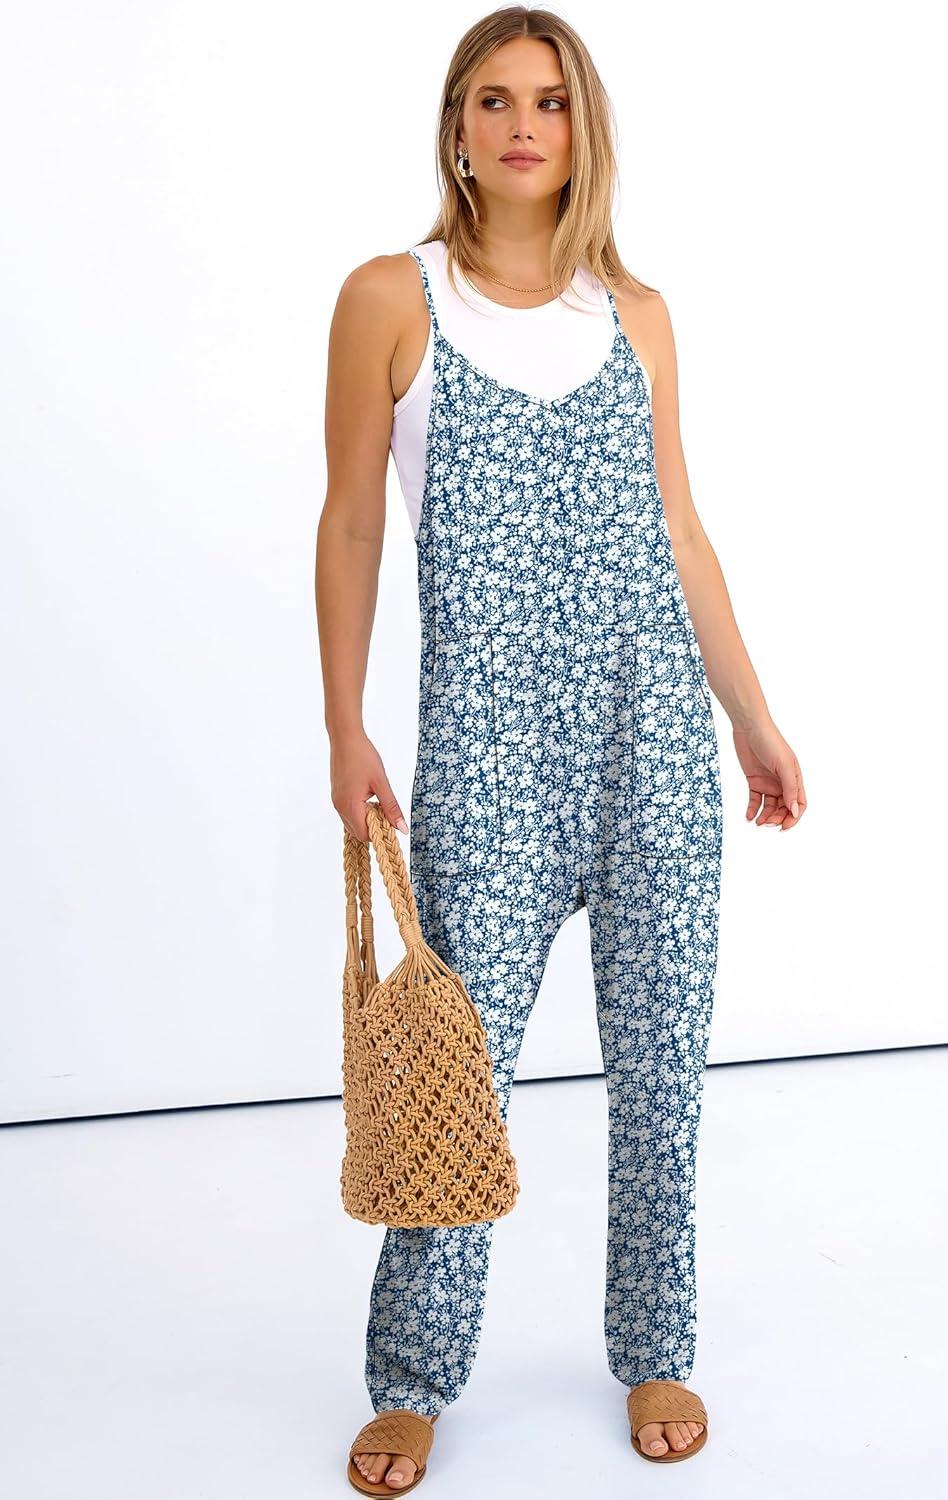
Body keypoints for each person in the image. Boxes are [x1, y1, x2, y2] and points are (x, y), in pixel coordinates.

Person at [316, 6, 806, 1493]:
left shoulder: (636, 312)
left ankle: (656, 1346)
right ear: (456, 130)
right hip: (484, 757)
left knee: (663, 1071)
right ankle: (414, 1376)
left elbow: (680, 531)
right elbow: (351, 525)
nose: (522, 124)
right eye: (492, 100)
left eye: (549, 100)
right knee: (455, 1079)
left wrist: (750, 715)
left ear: (583, 129)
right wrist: (342, 724)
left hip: (653, 741)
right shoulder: (388, 298)